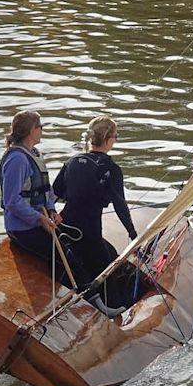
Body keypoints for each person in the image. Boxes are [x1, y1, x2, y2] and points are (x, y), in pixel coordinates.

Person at [53, 116, 138, 291]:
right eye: (116, 136)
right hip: (89, 232)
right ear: (108, 140)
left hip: (64, 227)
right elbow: (120, 206)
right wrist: (133, 235)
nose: (115, 140)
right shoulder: (111, 168)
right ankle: (111, 309)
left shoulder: (73, 161)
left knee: (111, 253)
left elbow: (55, 193)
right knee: (110, 269)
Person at [0, 110, 63, 260]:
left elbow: (45, 188)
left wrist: (51, 209)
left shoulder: (34, 154)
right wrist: (39, 218)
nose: (42, 130)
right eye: (39, 126)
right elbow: (12, 202)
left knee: (72, 247)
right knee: (64, 258)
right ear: (30, 130)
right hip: (22, 227)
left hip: (40, 220)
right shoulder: (17, 160)